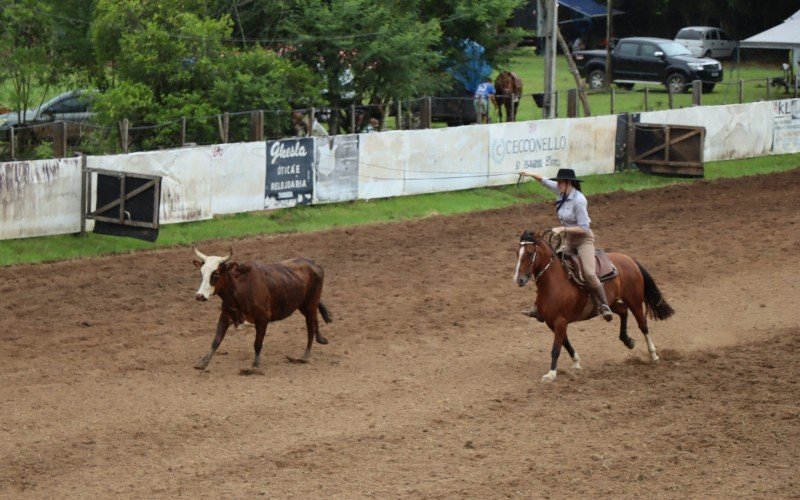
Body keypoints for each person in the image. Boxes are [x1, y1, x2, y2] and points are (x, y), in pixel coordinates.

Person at [519, 168, 614, 322]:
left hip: (583, 240)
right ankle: (539, 305)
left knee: (589, 273)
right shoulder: (561, 191)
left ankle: (604, 305)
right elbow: (543, 181)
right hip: (569, 240)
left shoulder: (579, 200)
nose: (557, 185)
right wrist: (529, 174)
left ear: (568, 183)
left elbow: (584, 228)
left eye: (560, 182)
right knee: (551, 266)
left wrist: (562, 228)